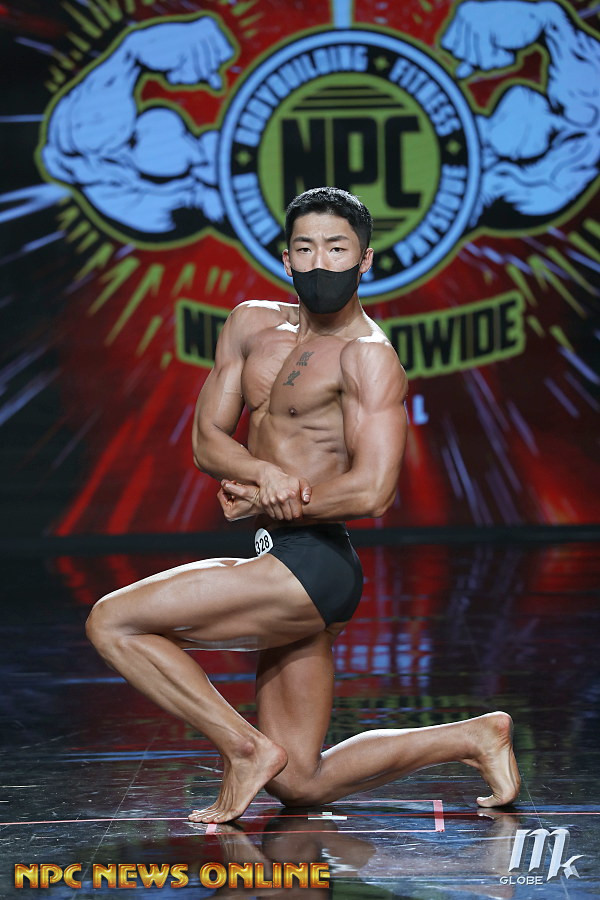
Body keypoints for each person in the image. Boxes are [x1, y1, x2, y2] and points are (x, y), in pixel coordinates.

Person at [86, 187, 520, 825]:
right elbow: (208, 440)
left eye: (337, 249)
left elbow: (373, 490)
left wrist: (278, 498)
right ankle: (475, 736)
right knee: (301, 782)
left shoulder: (368, 357)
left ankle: (242, 749)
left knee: (113, 622)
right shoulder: (249, 325)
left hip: (314, 565)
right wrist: (262, 475)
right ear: (286, 258)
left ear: (364, 260)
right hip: (277, 556)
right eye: (306, 248)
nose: (321, 263)